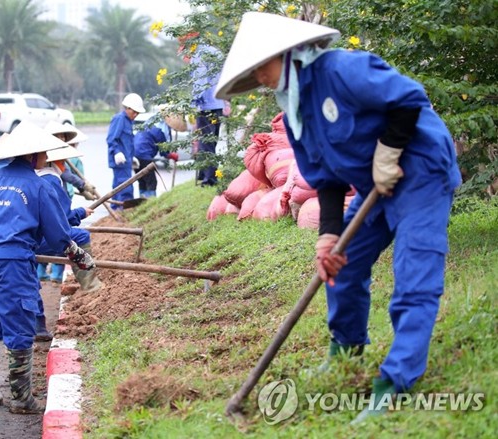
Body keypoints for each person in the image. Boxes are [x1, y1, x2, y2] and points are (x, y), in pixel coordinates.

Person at [215, 12, 461, 423]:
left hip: (418, 172)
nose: (259, 75)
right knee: (341, 267)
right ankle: (345, 351)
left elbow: (408, 98)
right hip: (371, 188)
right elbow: (325, 178)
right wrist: (328, 236)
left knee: (414, 272)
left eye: (261, 65)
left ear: (287, 53)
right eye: (253, 70)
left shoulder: (343, 69)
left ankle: (395, 382)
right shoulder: (293, 110)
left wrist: (388, 152)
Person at [0, 120, 95, 414]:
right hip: (13, 263)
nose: (46, 158)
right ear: (32, 156)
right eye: (42, 154)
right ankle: (21, 398)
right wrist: (78, 254)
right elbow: (58, 234)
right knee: (19, 324)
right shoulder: (37, 185)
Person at [34, 142, 103, 340]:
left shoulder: (40, 176)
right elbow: (60, 218)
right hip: (42, 238)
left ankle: (36, 325)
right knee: (81, 236)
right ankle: (90, 285)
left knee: (29, 284)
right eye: (64, 160)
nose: (66, 164)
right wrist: (80, 212)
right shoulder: (51, 179)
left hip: (24, 238)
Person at [188, 41, 228, 186]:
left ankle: (209, 179)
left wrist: (194, 102)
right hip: (217, 103)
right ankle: (205, 174)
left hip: (206, 104)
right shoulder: (215, 51)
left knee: (206, 142)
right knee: (211, 141)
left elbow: (201, 81)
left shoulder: (200, 53)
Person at [107, 93, 146, 209]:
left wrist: (131, 157)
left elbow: (128, 142)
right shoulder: (119, 119)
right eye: (134, 112)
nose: (135, 115)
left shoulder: (129, 122)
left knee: (118, 187)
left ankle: (117, 210)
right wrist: (117, 152)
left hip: (126, 161)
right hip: (120, 161)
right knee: (125, 188)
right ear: (128, 108)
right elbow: (111, 139)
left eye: (137, 113)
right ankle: (123, 212)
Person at [133, 118, 179, 197]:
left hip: (134, 154)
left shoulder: (149, 123)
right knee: (151, 181)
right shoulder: (161, 131)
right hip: (144, 154)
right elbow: (163, 151)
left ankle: (142, 201)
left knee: (142, 180)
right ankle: (150, 200)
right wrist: (171, 155)